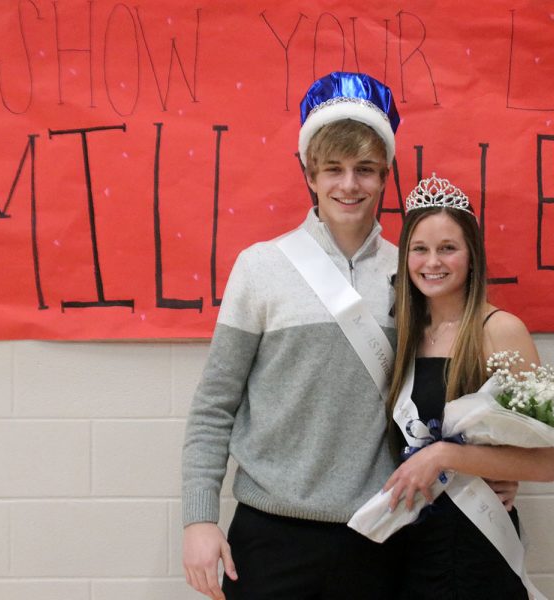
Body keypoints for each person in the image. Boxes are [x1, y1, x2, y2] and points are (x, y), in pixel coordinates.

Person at [180, 71, 404, 600]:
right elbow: (215, 405)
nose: (349, 185)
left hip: (380, 532)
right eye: (334, 169)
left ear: (385, 175)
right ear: (310, 174)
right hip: (270, 534)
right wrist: (198, 519)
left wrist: (483, 472)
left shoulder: (410, 273)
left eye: (365, 170)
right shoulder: (261, 267)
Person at [384, 174, 554, 599]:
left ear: (471, 255)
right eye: (420, 249)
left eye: (448, 248)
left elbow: (545, 462)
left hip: (477, 544)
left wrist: (448, 455)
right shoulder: (405, 333)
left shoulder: (499, 331)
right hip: (410, 544)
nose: (433, 262)